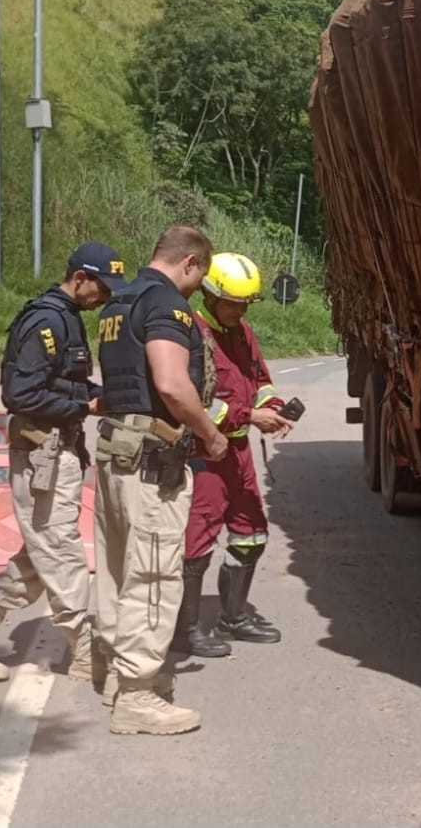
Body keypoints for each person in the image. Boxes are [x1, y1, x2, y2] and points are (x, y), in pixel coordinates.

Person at [0, 242, 127, 681]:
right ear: (79, 278)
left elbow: (65, 380)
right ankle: (83, 651)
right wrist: (86, 404)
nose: (103, 298)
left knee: (41, 553)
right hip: (40, 456)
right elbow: (20, 395)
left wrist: (95, 393)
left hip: (57, 451)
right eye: (100, 287)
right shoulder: (46, 321)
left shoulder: (67, 319)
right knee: (60, 552)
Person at [94, 225, 228, 736]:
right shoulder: (167, 306)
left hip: (115, 451)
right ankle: (137, 696)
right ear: (190, 262)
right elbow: (172, 384)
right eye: (200, 276)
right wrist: (210, 435)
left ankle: (115, 672)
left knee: (117, 569)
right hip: (153, 460)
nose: (197, 288)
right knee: (152, 574)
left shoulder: (117, 303)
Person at [173, 252, 296, 658]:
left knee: (251, 532)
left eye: (246, 304)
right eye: (233, 303)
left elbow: (260, 380)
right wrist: (248, 415)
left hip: (239, 450)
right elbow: (192, 401)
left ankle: (234, 616)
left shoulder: (242, 331)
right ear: (209, 295)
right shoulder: (191, 333)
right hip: (206, 450)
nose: (240, 310)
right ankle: (185, 629)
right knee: (198, 540)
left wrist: (273, 409)